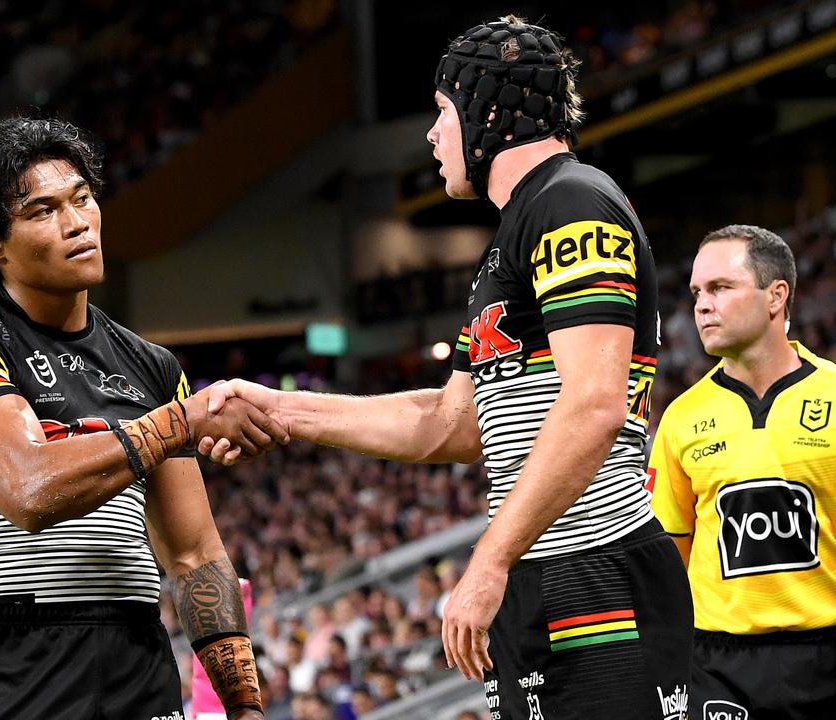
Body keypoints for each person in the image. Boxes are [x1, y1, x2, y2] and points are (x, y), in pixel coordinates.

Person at [200, 15, 692, 720]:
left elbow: (593, 404)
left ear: (489, 112)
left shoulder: (571, 201)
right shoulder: (513, 237)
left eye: (442, 114)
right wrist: (276, 409)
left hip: (594, 574)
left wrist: (488, 561)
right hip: (544, 575)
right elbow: (449, 423)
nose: (433, 137)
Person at [0, 116, 287, 719]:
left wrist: (243, 704)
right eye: (42, 210)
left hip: (140, 659)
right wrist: (178, 424)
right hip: (14, 659)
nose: (77, 222)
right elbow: (28, 488)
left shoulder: (154, 367)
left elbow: (194, 555)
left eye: (83, 199)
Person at [647, 224, 836, 719]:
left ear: (776, 296)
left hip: (832, 658)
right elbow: (670, 560)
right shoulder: (680, 418)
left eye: (720, 288)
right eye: (696, 292)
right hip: (719, 668)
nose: (701, 305)